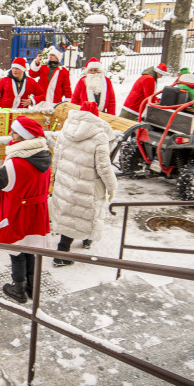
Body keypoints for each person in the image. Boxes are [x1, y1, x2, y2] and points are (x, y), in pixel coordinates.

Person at [0, 116, 52, 304]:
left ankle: (18, 288)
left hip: (17, 213)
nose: (11, 134)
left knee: (16, 252)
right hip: (36, 213)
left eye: (14, 132)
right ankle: (32, 286)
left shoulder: (14, 164)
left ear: (23, 137)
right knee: (30, 248)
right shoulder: (45, 157)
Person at [49, 102, 118, 266]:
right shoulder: (99, 136)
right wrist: (112, 186)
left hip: (66, 181)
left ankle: (71, 245)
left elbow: (57, 155)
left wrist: (55, 174)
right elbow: (103, 166)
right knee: (85, 213)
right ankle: (62, 252)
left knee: (70, 214)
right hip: (87, 184)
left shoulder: (66, 129)